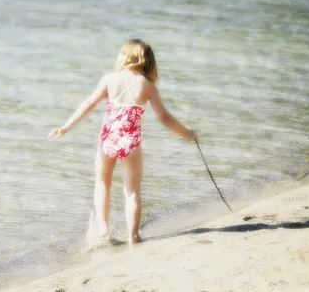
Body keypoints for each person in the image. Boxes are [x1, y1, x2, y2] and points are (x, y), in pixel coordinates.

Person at [48, 39, 197, 247]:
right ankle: (133, 236)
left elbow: (89, 103)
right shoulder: (148, 86)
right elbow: (164, 117)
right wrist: (187, 133)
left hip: (108, 139)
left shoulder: (110, 79)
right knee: (133, 190)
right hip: (131, 142)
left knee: (102, 184)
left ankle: (103, 230)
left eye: (121, 52)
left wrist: (67, 126)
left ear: (127, 57)